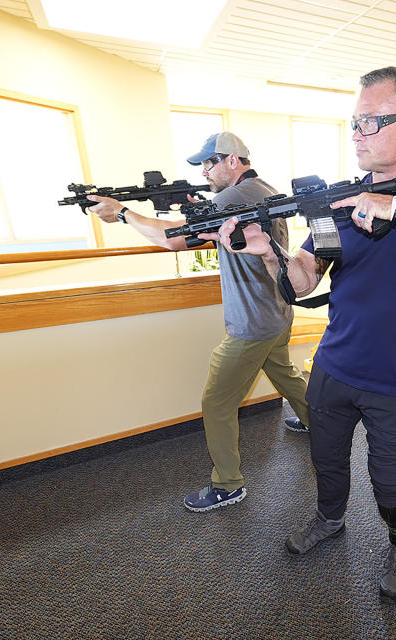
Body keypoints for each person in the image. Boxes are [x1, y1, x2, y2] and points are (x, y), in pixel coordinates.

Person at [200, 68, 396, 600]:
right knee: (327, 462)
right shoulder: (339, 202)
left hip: (395, 379)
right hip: (332, 368)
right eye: (354, 122)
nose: (356, 133)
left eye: (371, 121)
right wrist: (270, 254)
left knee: (390, 482)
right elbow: (306, 277)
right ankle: (330, 520)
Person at [86, 131, 311, 513]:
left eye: (210, 163)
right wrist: (198, 206)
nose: (205, 171)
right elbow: (225, 228)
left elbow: (173, 239)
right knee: (285, 372)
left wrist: (122, 213)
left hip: (252, 322)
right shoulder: (259, 188)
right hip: (277, 310)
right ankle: (315, 422)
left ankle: (228, 485)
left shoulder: (234, 196)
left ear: (233, 161)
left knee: (216, 402)